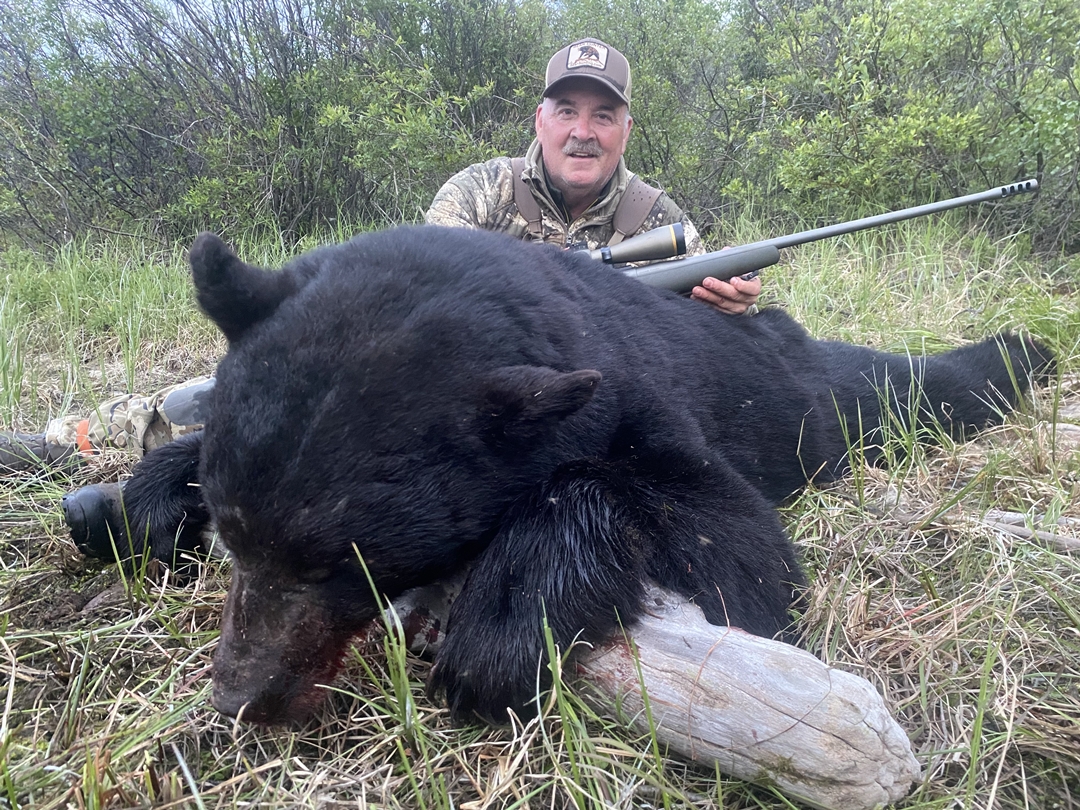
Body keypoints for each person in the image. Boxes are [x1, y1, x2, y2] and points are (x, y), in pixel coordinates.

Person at [7, 38, 762, 558]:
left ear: (626, 127)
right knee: (248, 404)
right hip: (429, 387)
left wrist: (723, 307)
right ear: (541, 118)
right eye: (567, 110)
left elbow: (682, 362)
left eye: (602, 115)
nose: (583, 132)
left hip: (539, 410)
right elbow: (428, 309)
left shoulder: (660, 223)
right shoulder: (481, 189)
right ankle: (74, 441)